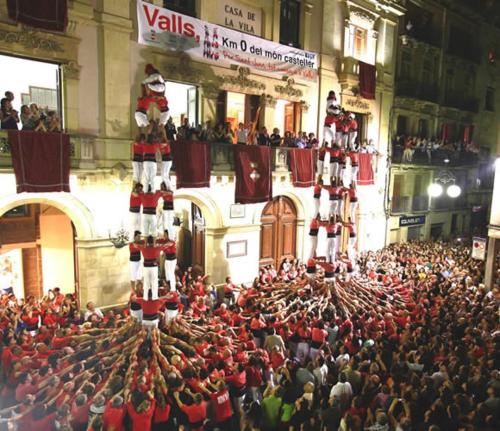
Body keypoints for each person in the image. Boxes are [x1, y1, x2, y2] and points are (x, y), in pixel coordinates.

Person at [135, 63, 169, 128]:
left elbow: (145, 85)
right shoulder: (159, 98)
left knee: (144, 84)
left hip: (157, 88)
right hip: (159, 88)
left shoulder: (148, 98)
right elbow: (162, 90)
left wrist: (145, 92)